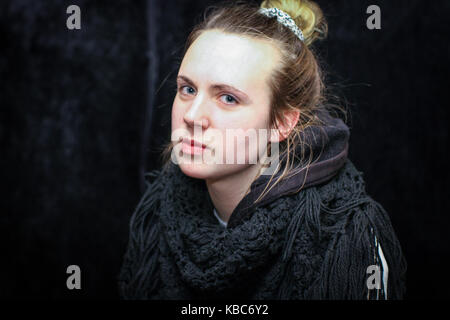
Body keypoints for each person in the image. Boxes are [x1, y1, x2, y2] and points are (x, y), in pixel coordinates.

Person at [117, 0, 407, 300]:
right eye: (188, 89)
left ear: (282, 123)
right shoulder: (158, 210)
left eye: (228, 98)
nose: (192, 116)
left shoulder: (347, 238)